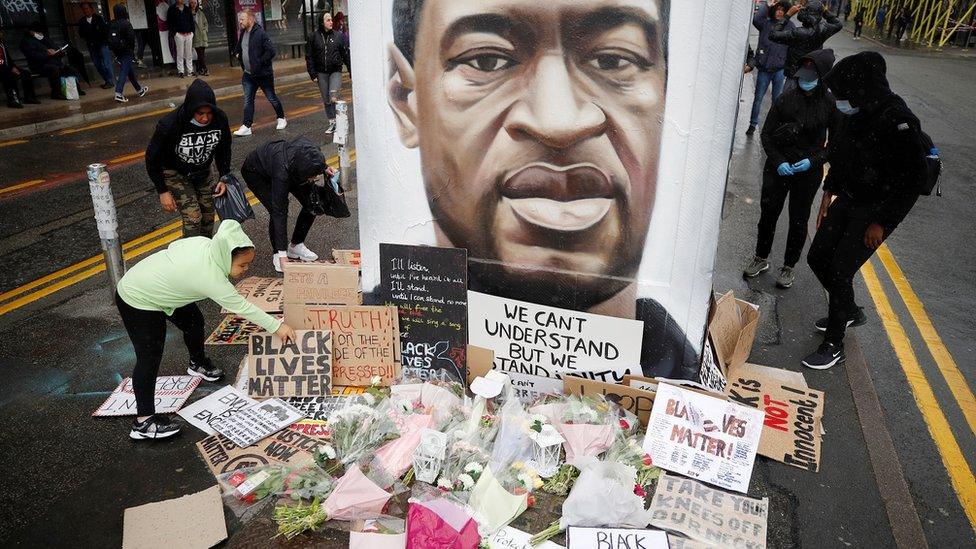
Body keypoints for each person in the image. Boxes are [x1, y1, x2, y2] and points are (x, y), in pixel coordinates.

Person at [387, 0, 698, 378]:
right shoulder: (373, 345)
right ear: (407, 103)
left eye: (614, 60)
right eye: (486, 60)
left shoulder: (696, 393)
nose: (558, 122)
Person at [116, 220, 298, 439]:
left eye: (248, 264)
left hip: (166, 289)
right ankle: (143, 423)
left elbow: (176, 249)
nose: (246, 270)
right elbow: (242, 307)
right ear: (224, 256)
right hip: (138, 297)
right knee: (149, 357)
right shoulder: (211, 278)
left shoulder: (207, 246)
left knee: (194, 322)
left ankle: (197, 363)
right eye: (242, 265)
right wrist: (277, 326)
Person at [802, 52, 925, 369]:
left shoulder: (898, 121)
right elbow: (843, 155)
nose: (839, 101)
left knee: (842, 270)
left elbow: (913, 181)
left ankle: (834, 343)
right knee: (818, 256)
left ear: (861, 89)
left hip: (877, 209)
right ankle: (849, 310)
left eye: (843, 95)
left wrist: (881, 223)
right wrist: (828, 192)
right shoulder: (856, 113)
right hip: (850, 197)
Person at [744, 49, 838, 289]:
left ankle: (789, 266)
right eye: (801, 78)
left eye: (809, 78)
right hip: (779, 166)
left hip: (807, 171)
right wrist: (778, 162)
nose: (804, 82)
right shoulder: (786, 98)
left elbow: (835, 145)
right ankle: (761, 257)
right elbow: (766, 134)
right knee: (768, 215)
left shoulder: (830, 104)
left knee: (799, 220)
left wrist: (813, 161)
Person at [146, 79, 233, 238]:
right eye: (200, 113)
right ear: (191, 109)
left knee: (208, 217)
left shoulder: (220, 119)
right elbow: (152, 159)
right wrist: (162, 191)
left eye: (209, 113)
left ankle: (205, 254)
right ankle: (189, 257)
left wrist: (224, 177)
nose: (205, 119)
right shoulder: (170, 124)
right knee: (193, 218)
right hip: (175, 172)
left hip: (203, 170)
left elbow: (224, 149)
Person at [241, 137, 337, 272]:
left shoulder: (310, 152)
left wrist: (324, 168)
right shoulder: (282, 173)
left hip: (289, 166)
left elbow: (314, 160)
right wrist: (282, 254)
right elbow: (279, 211)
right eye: (312, 176)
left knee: (312, 202)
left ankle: (296, 245)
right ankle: (278, 254)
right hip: (256, 172)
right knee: (276, 208)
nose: (314, 179)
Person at [232, 9, 287, 136]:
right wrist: (237, 53)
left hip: (263, 75)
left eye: (242, 19)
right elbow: (239, 46)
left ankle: (281, 118)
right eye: (239, 19)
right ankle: (247, 126)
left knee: (272, 98)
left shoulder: (260, 34)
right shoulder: (243, 32)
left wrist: (259, 63)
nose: (240, 21)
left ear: (250, 20)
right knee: (248, 100)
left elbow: (271, 51)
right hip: (248, 74)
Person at [746, 1, 794, 136]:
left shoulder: (790, 26)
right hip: (764, 69)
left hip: (779, 70)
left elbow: (792, 47)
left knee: (777, 101)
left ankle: (773, 127)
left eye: (782, 10)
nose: (779, 12)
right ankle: (752, 124)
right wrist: (766, 4)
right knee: (758, 99)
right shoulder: (765, 24)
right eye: (777, 9)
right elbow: (756, 18)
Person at [769, 0, 842, 86]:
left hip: (795, 76)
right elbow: (838, 24)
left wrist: (787, 15)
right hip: (812, 74)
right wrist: (824, 11)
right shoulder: (823, 30)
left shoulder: (798, 33)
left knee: (789, 98)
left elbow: (773, 35)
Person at [306, 12, 350, 133]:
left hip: (335, 70)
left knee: (333, 96)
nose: (331, 22)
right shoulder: (313, 37)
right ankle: (333, 123)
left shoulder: (338, 36)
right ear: (322, 22)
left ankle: (341, 121)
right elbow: (309, 56)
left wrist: (351, 71)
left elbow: (345, 55)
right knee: (326, 99)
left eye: (331, 20)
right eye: (328, 20)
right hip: (321, 72)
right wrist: (312, 73)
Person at [20, 22, 86, 100]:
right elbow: (33, 56)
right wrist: (47, 54)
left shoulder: (44, 38)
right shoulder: (26, 42)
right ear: (32, 32)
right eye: (38, 32)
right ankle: (56, 93)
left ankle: (75, 89)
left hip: (53, 62)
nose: (40, 34)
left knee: (71, 70)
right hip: (39, 65)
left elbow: (54, 47)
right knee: (54, 69)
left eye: (41, 32)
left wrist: (60, 52)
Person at [109, 4, 149, 103]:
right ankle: (118, 93)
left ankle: (140, 90)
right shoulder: (126, 23)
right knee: (124, 71)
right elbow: (131, 38)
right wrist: (131, 51)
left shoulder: (111, 23)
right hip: (126, 51)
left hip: (117, 51)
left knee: (129, 71)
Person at [78, 2, 114, 89]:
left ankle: (110, 81)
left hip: (102, 44)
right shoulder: (82, 21)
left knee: (106, 63)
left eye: (87, 8)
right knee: (97, 64)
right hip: (92, 45)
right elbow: (81, 34)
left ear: (91, 9)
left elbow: (105, 31)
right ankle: (107, 80)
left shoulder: (98, 18)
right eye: (84, 9)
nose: (85, 11)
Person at [0, 30, 39, 108]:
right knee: (9, 75)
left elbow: (8, 59)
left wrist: (14, 67)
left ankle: (29, 97)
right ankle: (13, 100)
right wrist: (10, 68)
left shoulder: (2, 44)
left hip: (7, 68)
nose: (2, 34)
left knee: (26, 73)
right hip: (2, 69)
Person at [168, 0, 195, 77]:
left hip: (189, 34)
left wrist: (192, 32)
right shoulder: (172, 9)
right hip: (179, 34)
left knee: (189, 53)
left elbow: (191, 21)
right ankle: (181, 71)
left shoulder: (187, 9)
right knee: (180, 53)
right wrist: (175, 33)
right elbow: (169, 22)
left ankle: (190, 71)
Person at [191, 0, 210, 76]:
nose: (193, 5)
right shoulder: (188, 13)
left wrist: (205, 30)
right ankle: (205, 69)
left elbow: (206, 23)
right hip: (195, 37)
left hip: (202, 36)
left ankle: (200, 69)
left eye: (195, 3)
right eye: (192, 3)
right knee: (200, 54)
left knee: (201, 55)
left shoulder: (200, 13)